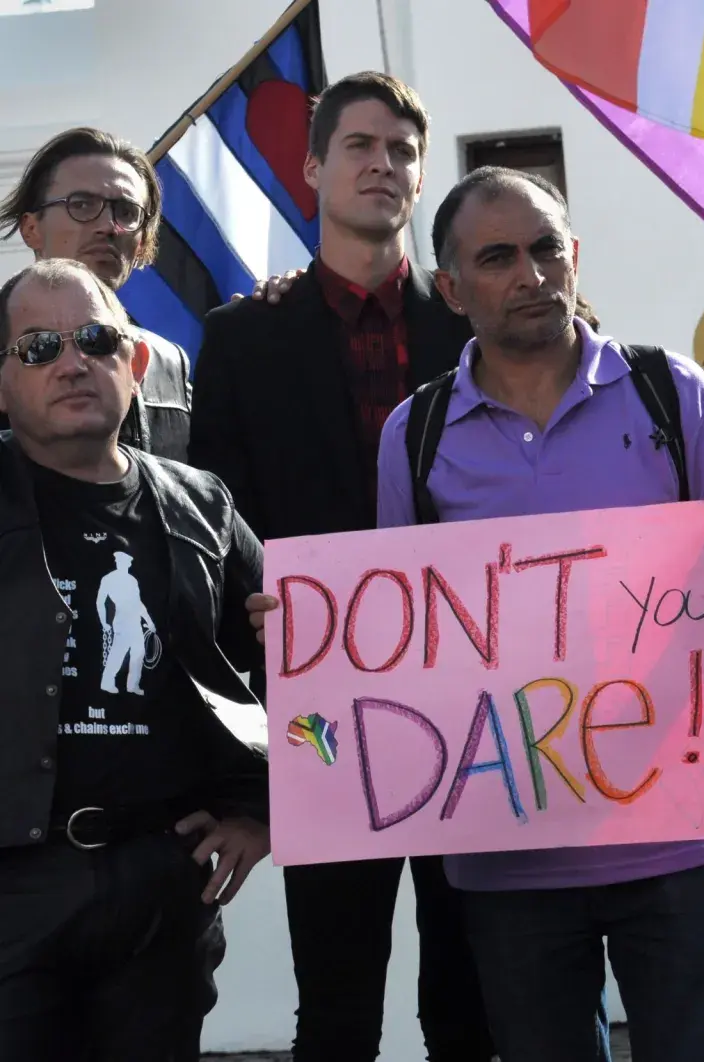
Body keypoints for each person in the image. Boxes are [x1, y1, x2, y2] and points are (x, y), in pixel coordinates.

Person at [334, 163, 704, 1062]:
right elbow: (402, 644)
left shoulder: (672, 392)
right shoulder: (413, 437)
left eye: (545, 249)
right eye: (497, 257)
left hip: (674, 843)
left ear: (574, 257)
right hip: (507, 860)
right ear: (451, 290)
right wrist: (314, 633)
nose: (530, 274)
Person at [186, 72, 491, 1062]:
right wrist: (254, 613)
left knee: (472, 987)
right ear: (313, 167)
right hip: (322, 708)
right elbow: (217, 523)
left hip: (479, 700)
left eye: (402, 149)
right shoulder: (241, 340)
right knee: (339, 994)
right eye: (360, 145)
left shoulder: (479, 328)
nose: (383, 164)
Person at [0, 258, 271, 1060]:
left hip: (161, 887)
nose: (72, 362)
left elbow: (310, 646)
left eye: (94, 338)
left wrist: (262, 809)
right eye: (38, 346)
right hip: (14, 889)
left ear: (138, 361)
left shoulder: (202, 503)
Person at [0, 128, 193, 461]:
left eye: (127, 212)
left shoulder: (169, 360)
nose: (108, 226)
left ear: (144, 242)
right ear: (31, 228)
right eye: (82, 205)